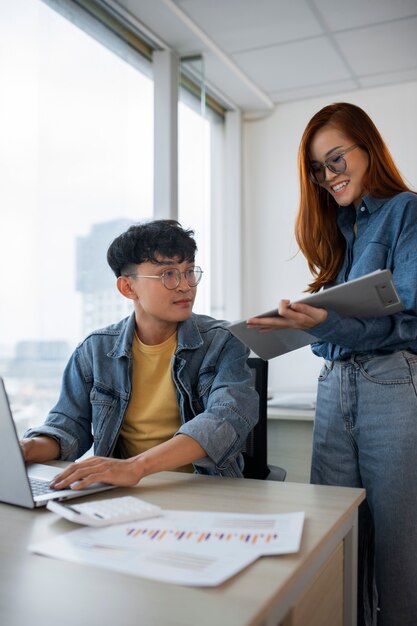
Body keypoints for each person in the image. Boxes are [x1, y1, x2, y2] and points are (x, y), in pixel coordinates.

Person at [247, 102, 417, 626]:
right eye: (319, 170)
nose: (328, 177)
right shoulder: (342, 234)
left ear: (369, 148)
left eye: (336, 159)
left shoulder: (406, 212)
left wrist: (318, 323)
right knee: (336, 537)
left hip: (390, 384)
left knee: (397, 551)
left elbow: (408, 320)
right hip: (334, 386)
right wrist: (308, 326)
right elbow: (337, 337)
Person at [21, 219, 258, 488]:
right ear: (128, 287)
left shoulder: (223, 341)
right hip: (124, 492)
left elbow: (225, 419)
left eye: (189, 271)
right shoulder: (94, 350)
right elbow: (68, 428)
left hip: (204, 490)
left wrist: (136, 467)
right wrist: (24, 448)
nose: (185, 285)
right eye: (168, 274)